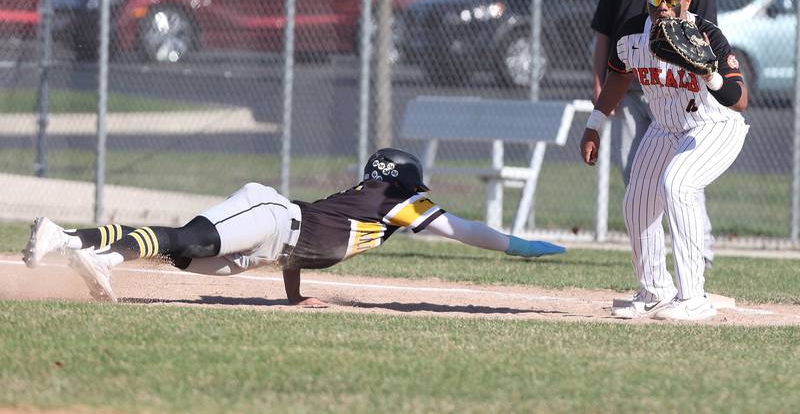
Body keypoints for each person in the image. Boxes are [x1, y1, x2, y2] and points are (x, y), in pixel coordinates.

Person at [22, 147, 566, 306]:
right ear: (408, 182)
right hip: (272, 215)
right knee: (188, 240)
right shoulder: (396, 202)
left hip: (274, 242)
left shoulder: (366, 201)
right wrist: (525, 246)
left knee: (182, 254)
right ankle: (66, 238)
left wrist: (295, 297)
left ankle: (100, 257)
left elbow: (305, 248)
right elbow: (469, 231)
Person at [580, 0, 748, 321]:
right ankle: (654, 290)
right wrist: (595, 122)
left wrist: (710, 75)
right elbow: (619, 77)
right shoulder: (630, 34)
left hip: (714, 126)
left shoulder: (707, 36)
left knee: (678, 184)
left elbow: (740, 100)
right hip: (666, 128)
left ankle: (693, 298)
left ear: (688, 0)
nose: (664, 7)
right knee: (636, 204)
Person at [590, 0, 719, 268]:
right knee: (638, 174)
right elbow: (603, 35)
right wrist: (600, 85)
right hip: (631, 88)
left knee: (684, 172)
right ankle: (654, 253)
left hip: (680, 91)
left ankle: (700, 251)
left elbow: (707, 33)